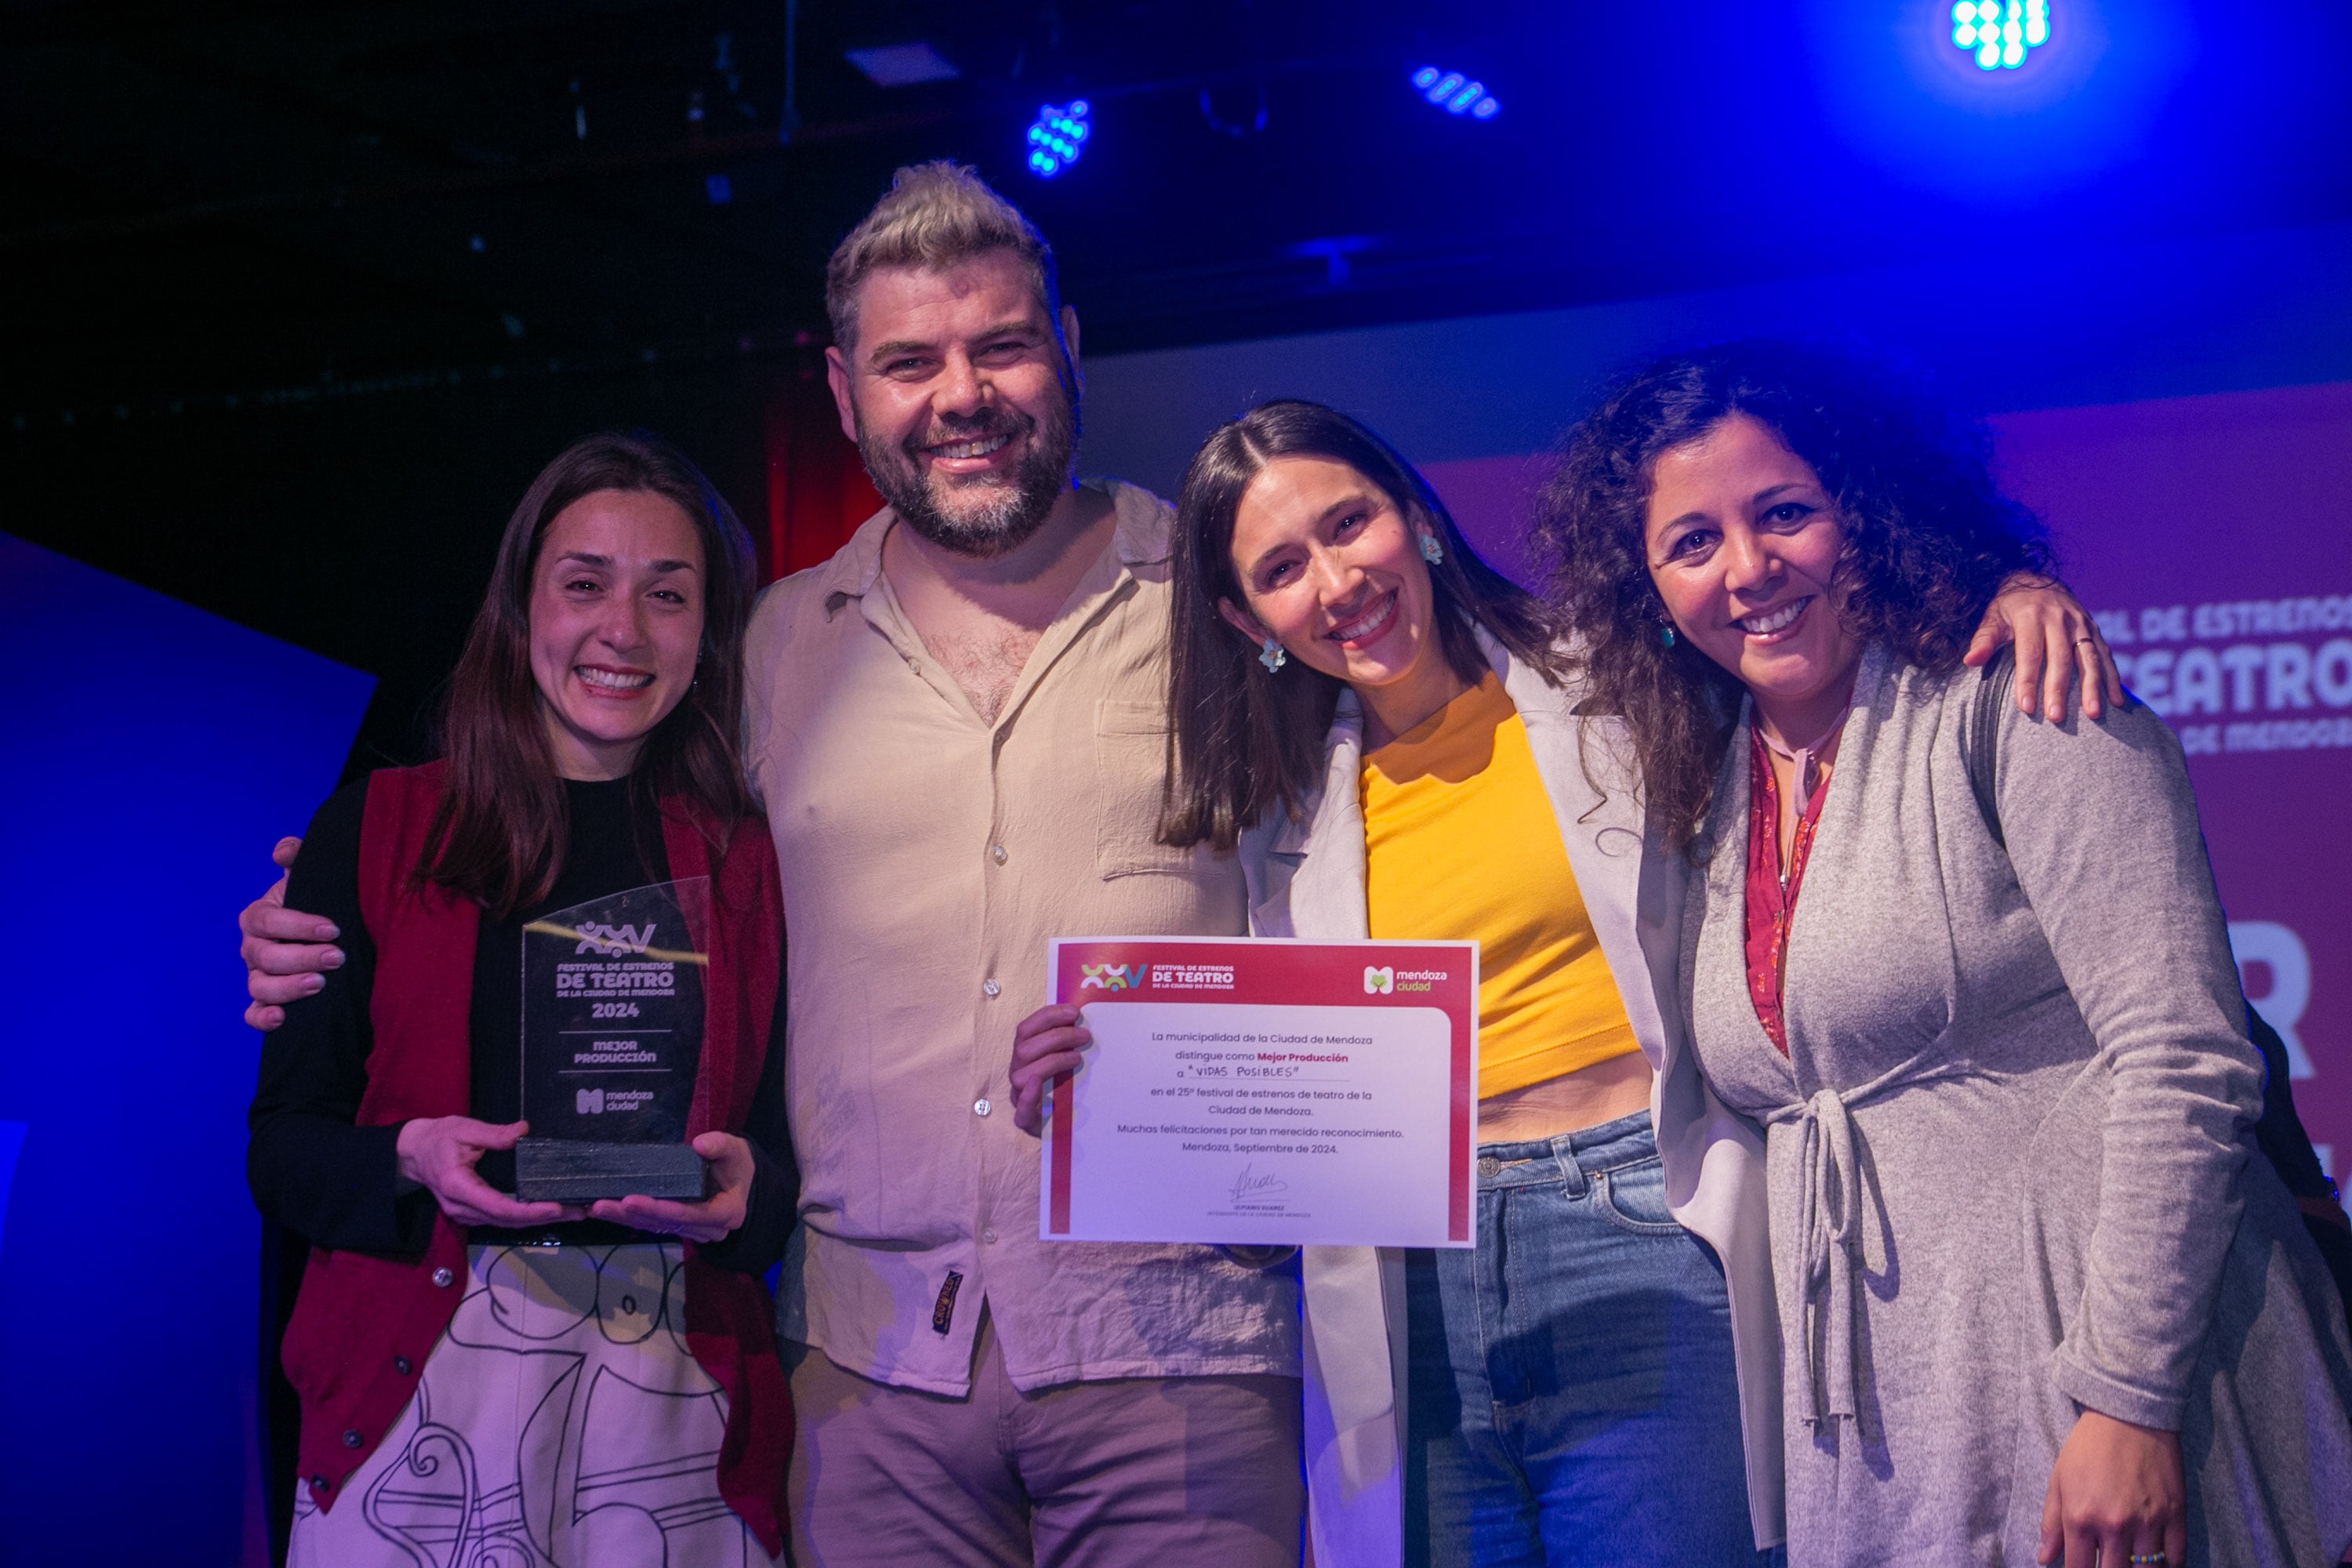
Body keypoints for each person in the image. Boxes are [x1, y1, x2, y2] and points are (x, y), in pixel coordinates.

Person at [247, 163, 1304, 1566]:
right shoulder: (773, 650)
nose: (961, 394)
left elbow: (1356, 878)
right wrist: (316, 917)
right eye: (909, 362)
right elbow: (577, 842)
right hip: (863, 1372)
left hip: (1178, 1344)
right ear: (843, 390)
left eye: (1000, 345)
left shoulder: (1229, 606)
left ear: (1069, 348)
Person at [1009, 401, 2118, 1567]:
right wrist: (1111, 1104)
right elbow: (1268, 1156)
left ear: (1417, 518)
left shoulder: (1623, 677)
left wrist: (2004, 590)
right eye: (1284, 569)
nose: (1338, 581)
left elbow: (1795, 625)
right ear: (1247, 620)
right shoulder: (1267, 818)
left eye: (1352, 524)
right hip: (1415, 1292)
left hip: (1639, 1226)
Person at [1534, 340, 2352, 1567]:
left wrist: (2126, 1397)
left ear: (1867, 508)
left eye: (1785, 514)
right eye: (1691, 542)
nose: (1748, 570)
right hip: (1887, 1431)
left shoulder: (2024, 692)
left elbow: (2186, 1057)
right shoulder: (1703, 787)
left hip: (2111, 1366)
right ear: (1646, 586)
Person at [246, 433, 795, 1565]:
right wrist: (409, 1157)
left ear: (711, 631)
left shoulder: (755, 861)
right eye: (584, 584)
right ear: (521, 605)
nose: (623, 632)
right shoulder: (380, 827)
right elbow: (281, 1152)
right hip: (411, 1381)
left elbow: (787, 1158)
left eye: (669, 595)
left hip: (674, 1401)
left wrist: (748, 1201)